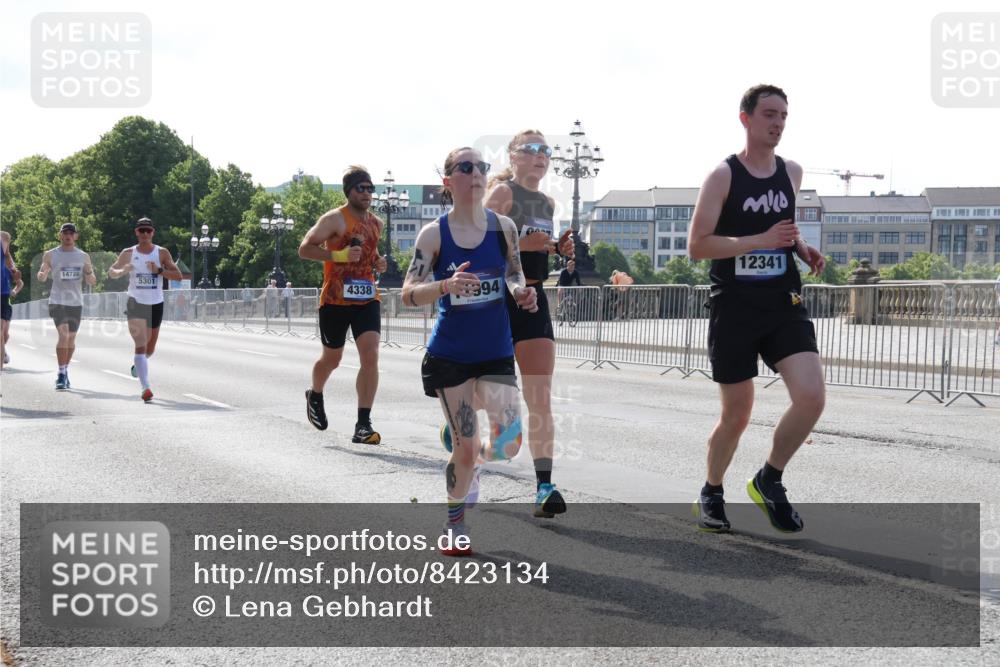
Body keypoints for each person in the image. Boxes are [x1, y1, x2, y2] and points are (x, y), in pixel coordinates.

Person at [688, 84, 826, 533]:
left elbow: (784, 227)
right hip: (734, 306)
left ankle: (769, 478)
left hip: (783, 302)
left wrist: (800, 247)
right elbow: (698, 245)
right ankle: (711, 490)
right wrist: (759, 241)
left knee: (811, 396)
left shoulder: (792, 172)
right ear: (745, 118)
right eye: (769, 114)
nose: (778, 123)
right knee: (737, 414)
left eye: (783, 115)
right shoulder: (723, 176)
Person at [402, 147, 538, 555]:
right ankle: (455, 525)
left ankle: (474, 460)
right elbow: (407, 294)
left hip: (494, 350)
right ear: (449, 181)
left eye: (482, 166)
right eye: (466, 167)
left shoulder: (504, 228)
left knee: (510, 442)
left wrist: (521, 292)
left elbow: (514, 271)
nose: (476, 172)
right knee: (463, 448)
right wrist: (445, 286)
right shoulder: (433, 235)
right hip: (451, 355)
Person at [469, 129, 574, 519]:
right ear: (512, 156)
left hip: (533, 299)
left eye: (545, 150)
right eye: (530, 149)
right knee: (492, 395)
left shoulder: (547, 203)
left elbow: (535, 249)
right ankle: (462, 419)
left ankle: (544, 485)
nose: (539, 155)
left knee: (540, 396)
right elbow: (475, 243)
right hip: (496, 301)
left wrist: (557, 249)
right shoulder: (502, 194)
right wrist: (520, 245)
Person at [298, 166, 388, 444]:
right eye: (361, 188)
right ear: (348, 191)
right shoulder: (334, 219)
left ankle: (363, 424)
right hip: (335, 300)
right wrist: (338, 256)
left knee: (371, 356)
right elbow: (305, 249)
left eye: (370, 188)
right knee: (332, 359)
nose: (367, 193)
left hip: (366, 298)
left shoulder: (376, 224)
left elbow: (369, 254)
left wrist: (378, 262)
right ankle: (315, 394)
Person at [107, 217, 183, 402]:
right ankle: (145, 387)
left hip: (156, 303)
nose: (145, 234)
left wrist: (159, 271)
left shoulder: (161, 253)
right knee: (140, 345)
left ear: (153, 233)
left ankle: (139, 366)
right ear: (136, 232)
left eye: (148, 230)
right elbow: (111, 271)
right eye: (141, 230)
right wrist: (122, 271)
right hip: (136, 302)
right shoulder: (128, 253)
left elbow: (178, 276)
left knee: (150, 348)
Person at [36, 223, 97, 389]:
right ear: (60, 235)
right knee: (63, 335)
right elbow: (42, 275)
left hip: (76, 302)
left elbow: (92, 281)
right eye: (65, 233)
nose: (68, 236)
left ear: (76, 236)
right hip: (57, 300)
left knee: (71, 338)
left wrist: (89, 272)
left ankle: (65, 369)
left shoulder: (83, 256)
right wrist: (42, 274)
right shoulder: (50, 255)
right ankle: (61, 374)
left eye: (71, 233)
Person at [1, 231, 23, 370]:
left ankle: (2, 350)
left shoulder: (7, 265)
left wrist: (14, 290)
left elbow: (19, 282)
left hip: (5, 300)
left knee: (5, 333)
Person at [556, 258, 582, 326]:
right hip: (562, 284)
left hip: (569, 285)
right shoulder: (563, 272)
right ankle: (559, 304)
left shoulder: (575, 272)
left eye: (573, 266)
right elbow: (561, 282)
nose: (572, 267)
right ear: (567, 266)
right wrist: (563, 288)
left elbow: (578, 281)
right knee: (560, 290)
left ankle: (571, 303)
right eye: (571, 266)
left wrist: (579, 288)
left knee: (574, 292)